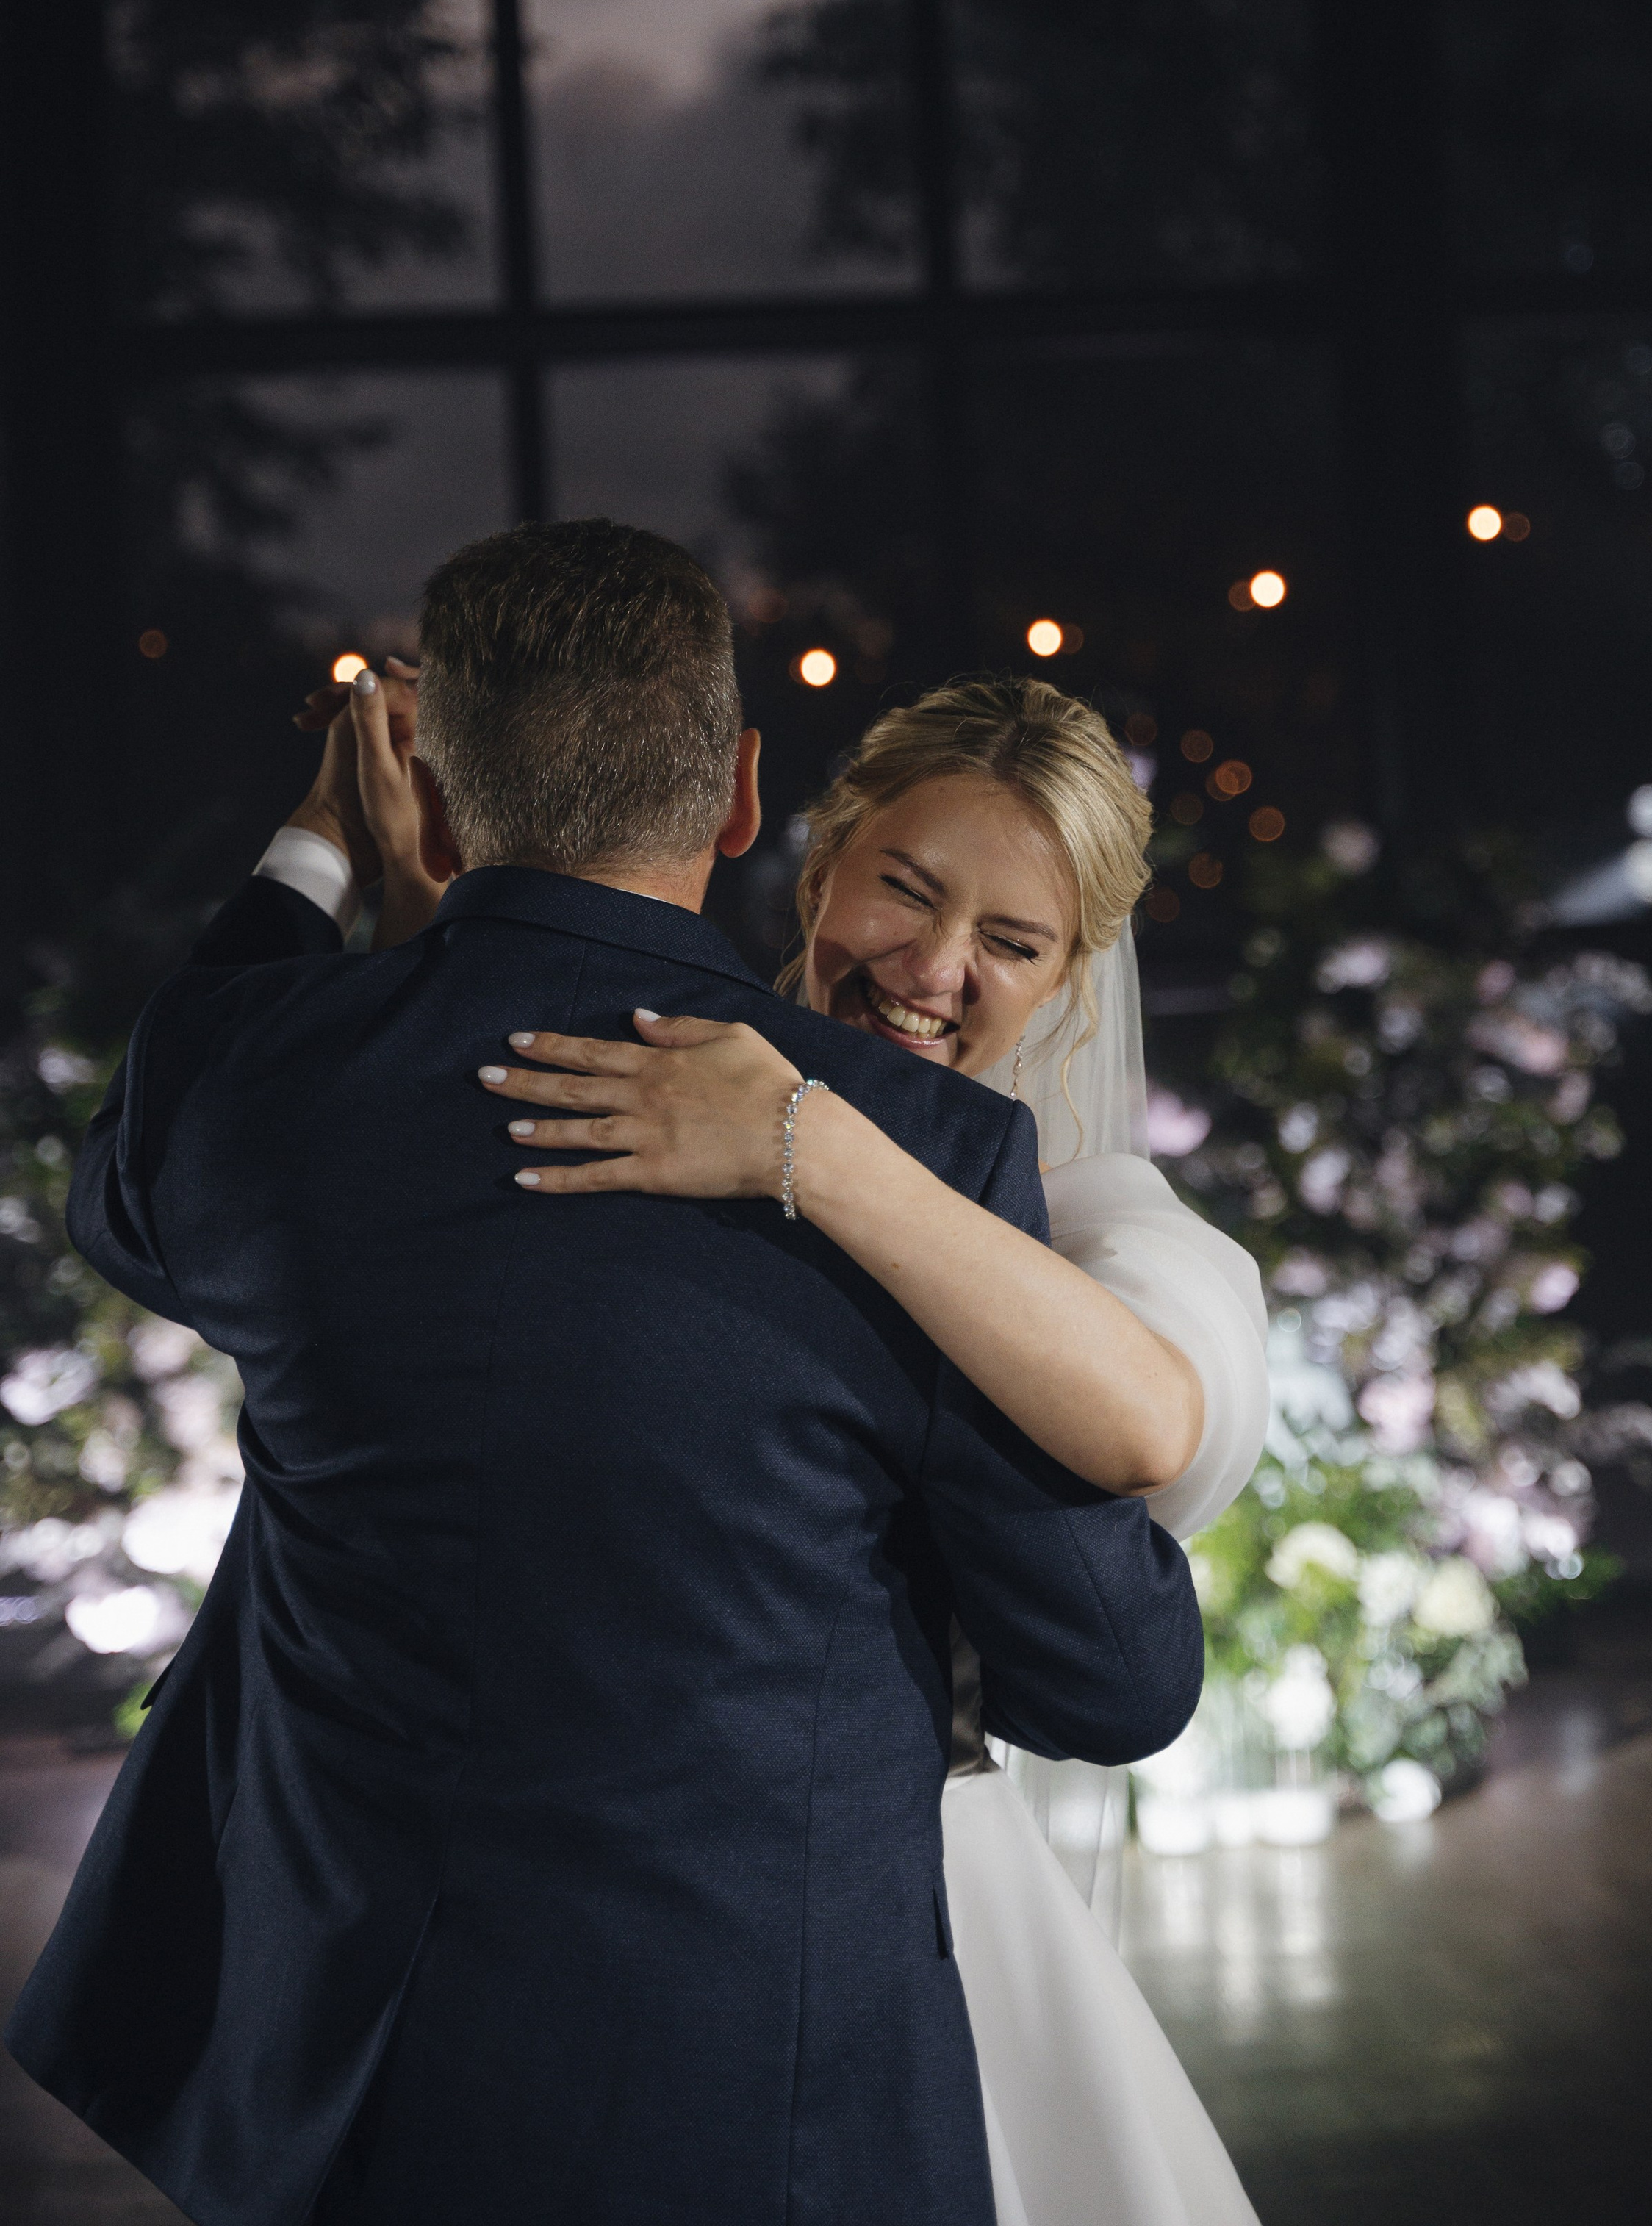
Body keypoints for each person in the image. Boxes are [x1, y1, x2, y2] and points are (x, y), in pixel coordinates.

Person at [6, 521, 1204, 2226]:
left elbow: (131, 1181)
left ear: (429, 794)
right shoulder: (922, 1160)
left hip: (353, 2095)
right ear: (742, 798)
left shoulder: (253, 1082)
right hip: (755, 2102)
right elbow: (1114, 1682)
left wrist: (319, 856)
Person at [336, 664, 1270, 2226]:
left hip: (889, 1907)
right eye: (902, 890)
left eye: (1011, 942)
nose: (933, 965)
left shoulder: (1096, 1222)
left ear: (1070, 979)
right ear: (816, 849)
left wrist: (807, 1142)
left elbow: (1157, 1419)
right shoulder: (648, 1077)